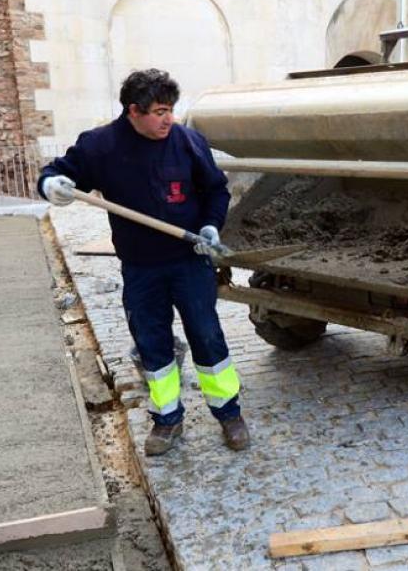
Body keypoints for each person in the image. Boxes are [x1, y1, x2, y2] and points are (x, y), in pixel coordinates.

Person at [38, 69, 249, 456]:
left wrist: (210, 226)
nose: (168, 119)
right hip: (141, 269)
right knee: (152, 344)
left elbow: (216, 190)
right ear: (133, 111)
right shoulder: (101, 147)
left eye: (171, 110)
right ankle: (167, 419)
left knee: (207, 337)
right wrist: (51, 186)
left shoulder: (187, 142)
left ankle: (229, 414)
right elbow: (57, 174)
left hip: (190, 262)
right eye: (159, 112)